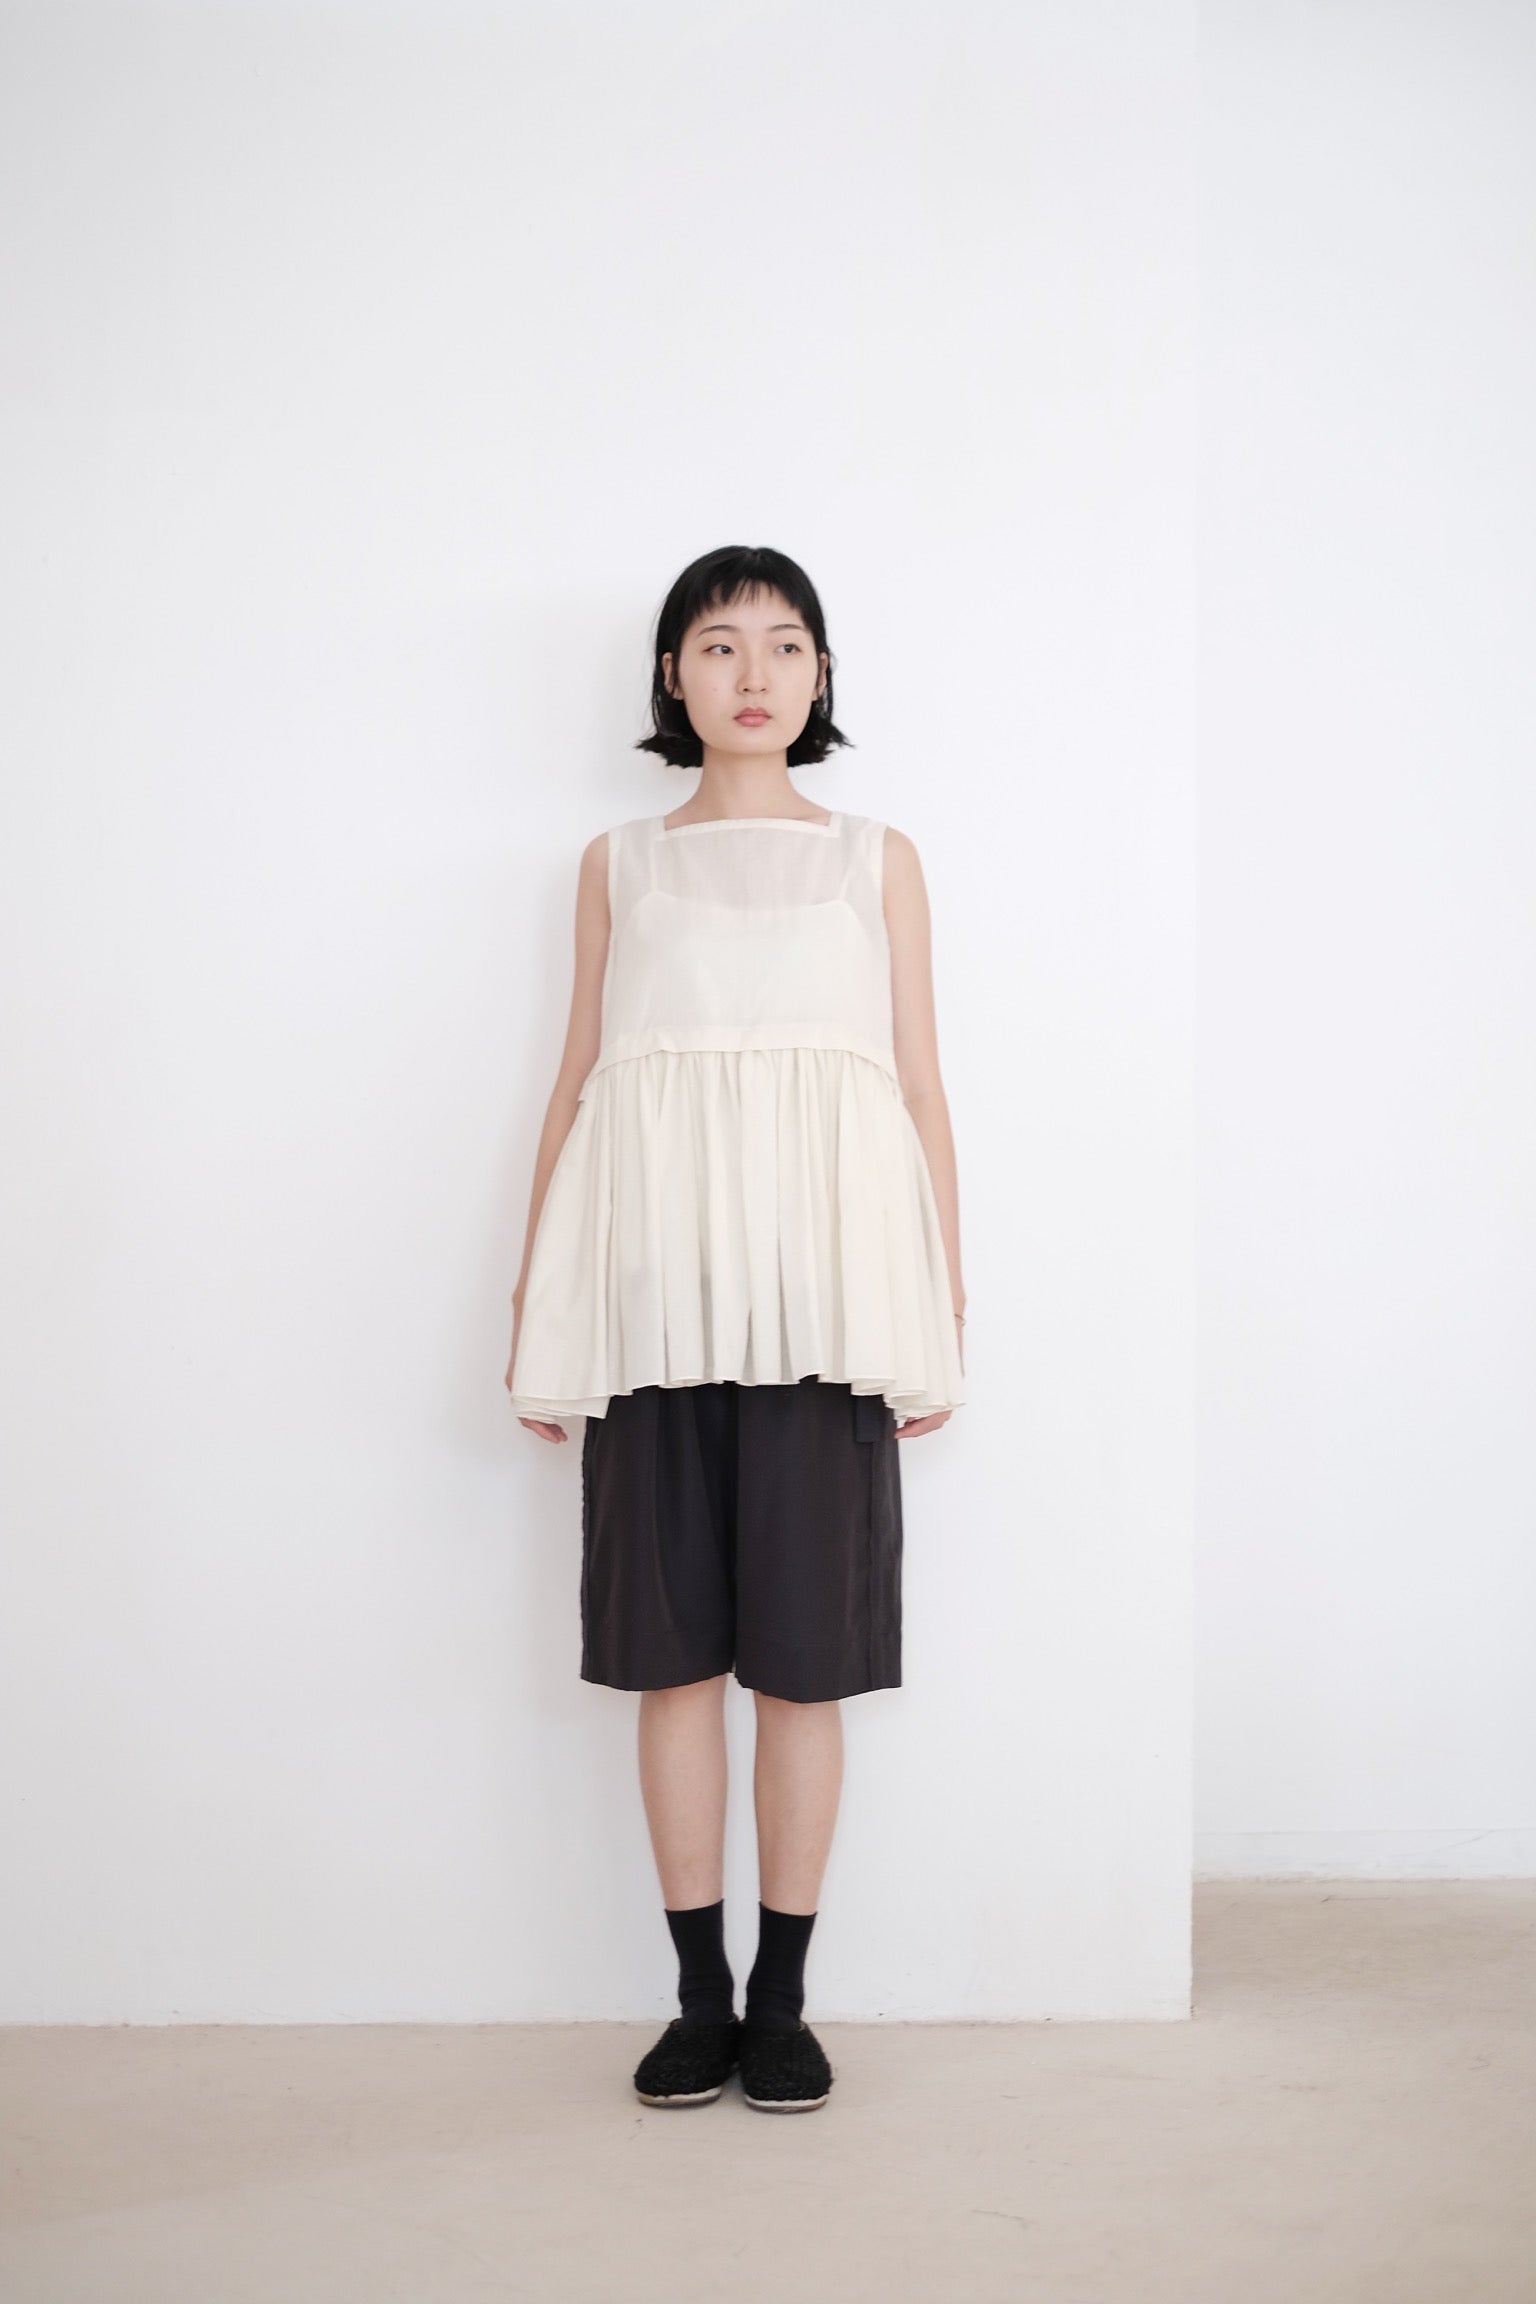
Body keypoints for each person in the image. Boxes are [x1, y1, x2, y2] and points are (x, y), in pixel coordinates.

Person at [504, 544, 966, 2113]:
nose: (752, 673)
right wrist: (539, 1304)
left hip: (826, 1319)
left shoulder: (876, 859)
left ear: (822, 676)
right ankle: (697, 1998)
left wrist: (940, 1301)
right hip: (652, 1315)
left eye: (784, 645)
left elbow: (916, 1088)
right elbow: (581, 1081)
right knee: (672, 1669)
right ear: (672, 677)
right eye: (718, 644)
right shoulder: (619, 864)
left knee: (805, 1674)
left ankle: (783, 2000)